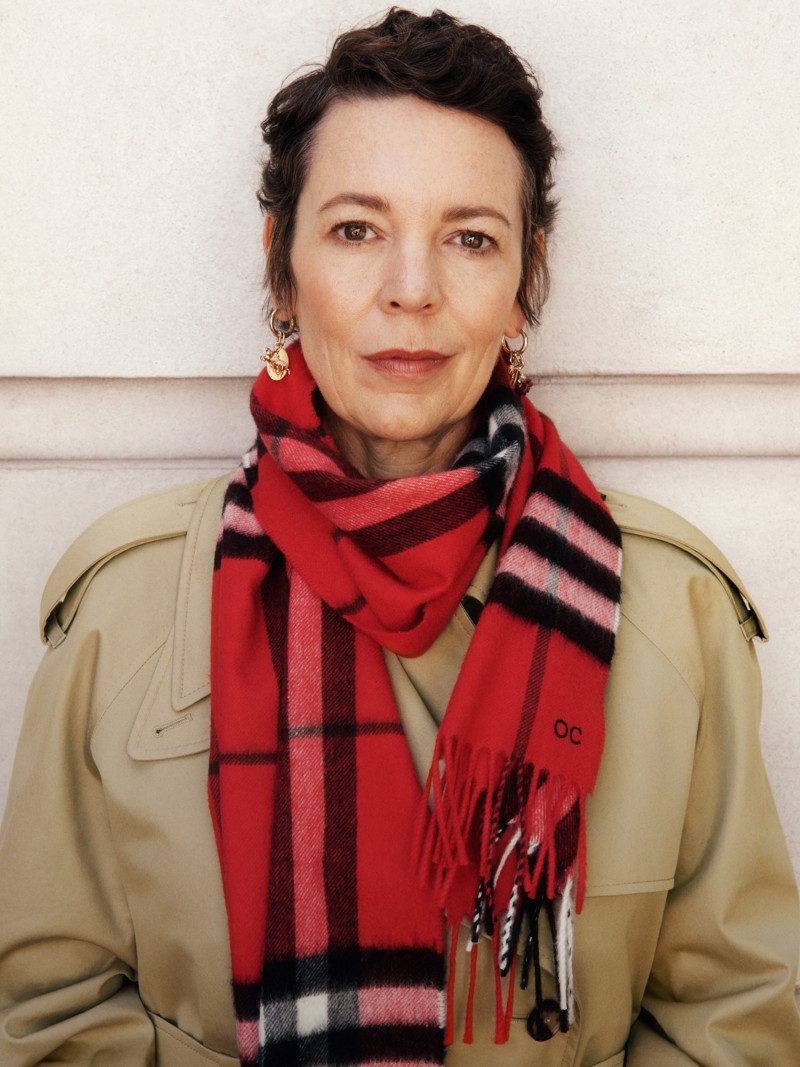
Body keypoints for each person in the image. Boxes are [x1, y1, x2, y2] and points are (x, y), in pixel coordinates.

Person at [0, 7, 798, 1065]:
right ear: (280, 267)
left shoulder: (667, 607)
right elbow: (51, 1010)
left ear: (524, 283)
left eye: (470, 238)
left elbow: (730, 1016)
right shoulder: (128, 604)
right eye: (355, 230)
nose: (411, 291)